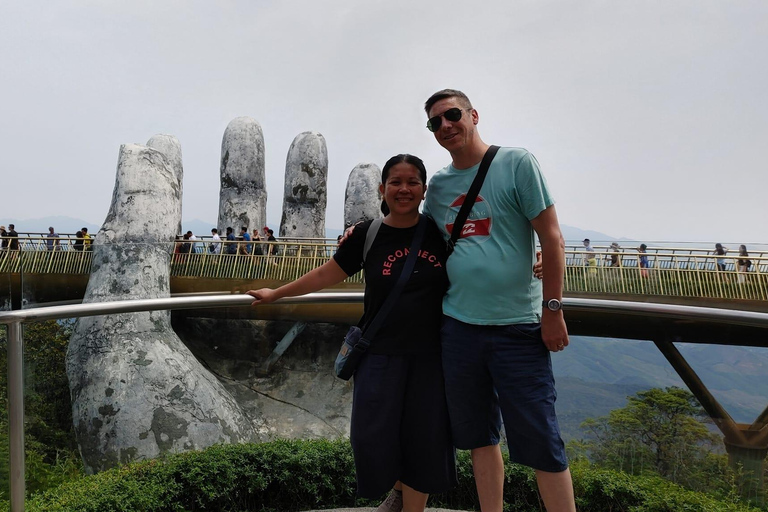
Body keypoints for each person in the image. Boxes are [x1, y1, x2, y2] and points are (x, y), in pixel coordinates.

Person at [248, 155, 457, 512]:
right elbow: (324, 275)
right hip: (378, 352)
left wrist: (536, 262)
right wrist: (276, 293)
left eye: (412, 182)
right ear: (382, 189)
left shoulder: (441, 233)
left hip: (431, 355)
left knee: (425, 436)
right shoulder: (368, 234)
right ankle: (399, 489)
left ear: (424, 190)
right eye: (395, 182)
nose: (403, 189)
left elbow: (481, 256)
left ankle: (412, 506)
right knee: (373, 433)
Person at [421, 89, 575, 512]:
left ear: (473, 114)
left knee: (541, 438)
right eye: (435, 122)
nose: (446, 126)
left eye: (452, 115)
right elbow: (417, 234)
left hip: (519, 328)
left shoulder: (515, 163)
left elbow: (552, 237)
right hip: (458, 327)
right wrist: (355, 238)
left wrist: (553, 310)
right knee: (478, 437)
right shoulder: (438, 187)